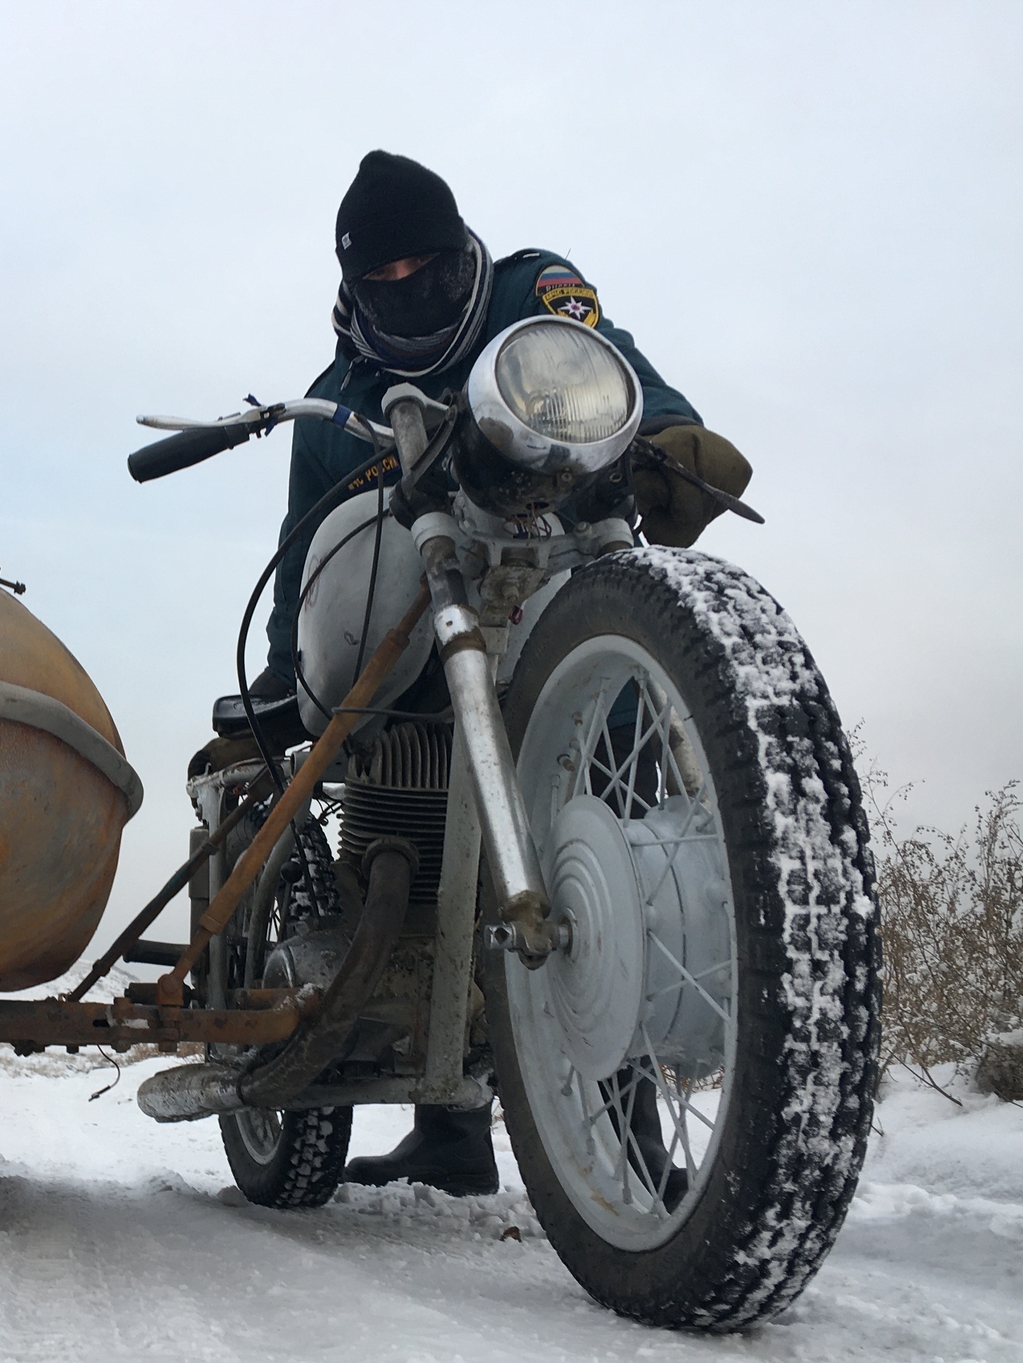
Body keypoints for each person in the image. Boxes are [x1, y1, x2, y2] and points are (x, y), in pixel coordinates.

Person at [247, 151, 755, 1196]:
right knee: (406, 819)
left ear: (456, 254)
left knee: (608, 827)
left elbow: (609, 362)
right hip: (419, 639)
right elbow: (302, 552)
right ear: (349, 286)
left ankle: (629, 1128)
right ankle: (450, 1125)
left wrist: (665, 433)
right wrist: (281, 676)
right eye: (375, 282)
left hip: (563, 597)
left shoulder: (528, 295)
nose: (402, 295)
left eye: (421, 273)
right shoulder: (336, 392)